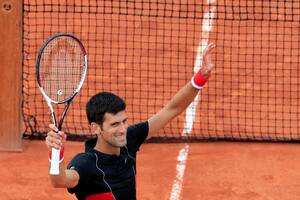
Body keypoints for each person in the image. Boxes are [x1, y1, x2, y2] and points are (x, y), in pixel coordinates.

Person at [45, 42, 216, 200]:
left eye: (124, 121)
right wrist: (56, 153)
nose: (122, 129)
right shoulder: (87, 163)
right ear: (96, 128)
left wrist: (200, 77)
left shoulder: (128, 139)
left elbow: (172, 109)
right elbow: (59, 180)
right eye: (114, 124)